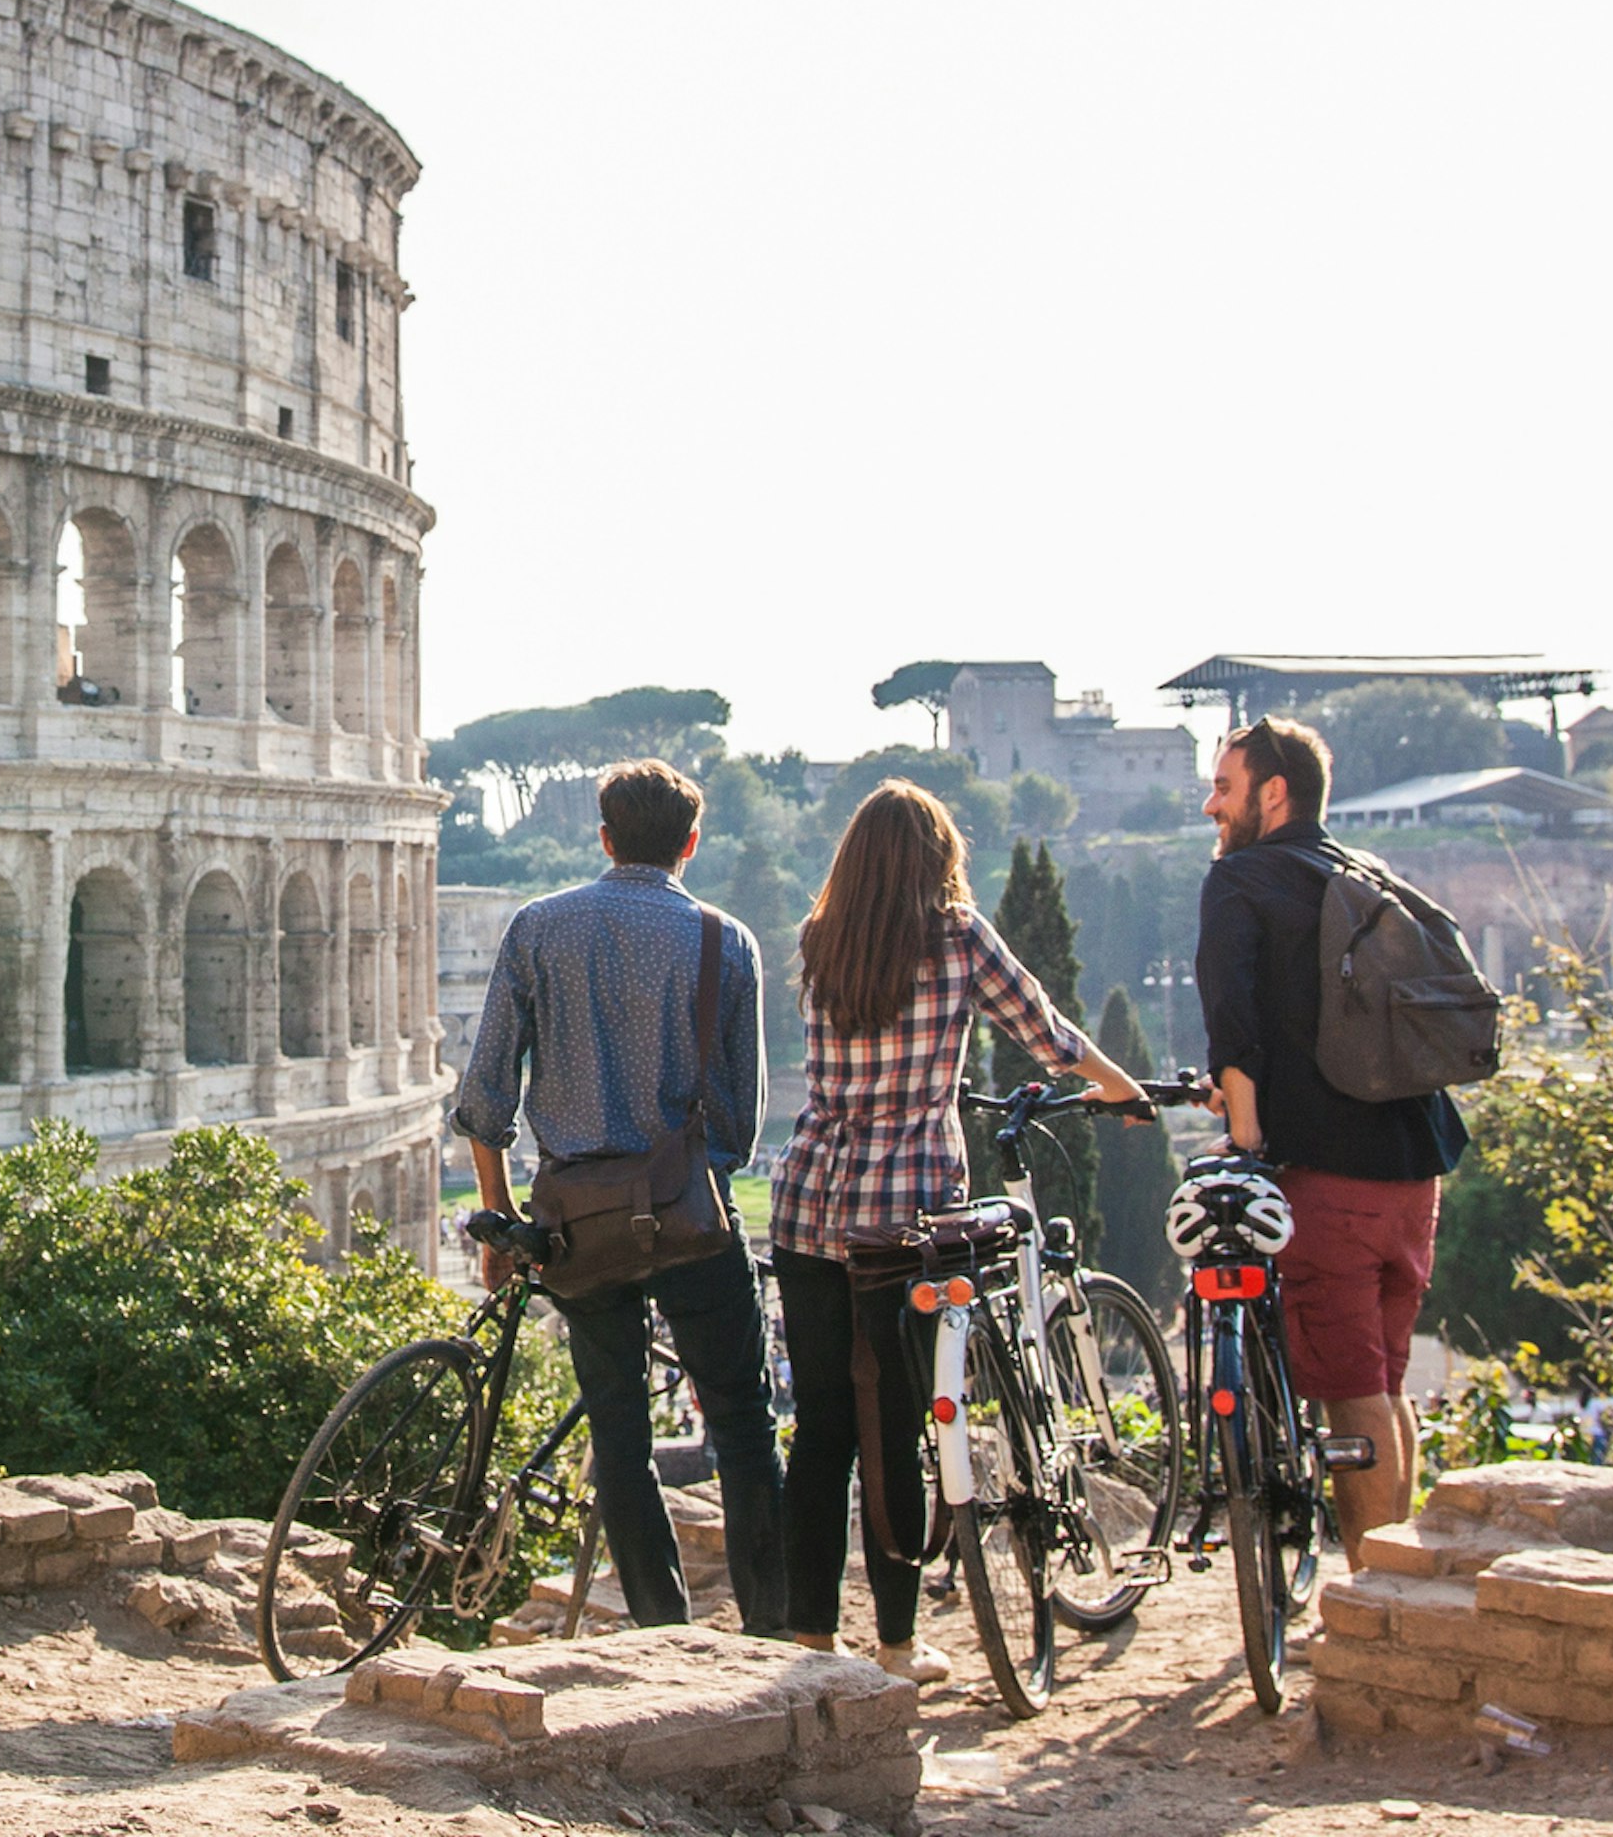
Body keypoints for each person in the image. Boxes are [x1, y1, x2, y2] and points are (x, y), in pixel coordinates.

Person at [765, 780, 1147, 1681]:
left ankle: (811, 1639)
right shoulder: (959, 936)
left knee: (819, 1429)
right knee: (894, 1428)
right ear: (938, 860)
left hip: (809, 1204)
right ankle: (895, 1650)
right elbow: (1048, 1036)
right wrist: (1124, 1090)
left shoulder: (819, 941)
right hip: (905, 1221)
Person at [449, 758, 787, 1634]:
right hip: (690, 1218)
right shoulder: (728, 941)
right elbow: (740, 1126)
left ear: (602, 837)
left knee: (620, 1439)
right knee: (746, 1430)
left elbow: (486, 1099)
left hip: (577, 1224)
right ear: (692, 844)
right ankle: (772, 1630)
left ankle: (660, 1632)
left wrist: (502, 1223)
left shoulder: (537, 928)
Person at [1196, 715, 1469, 1557]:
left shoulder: (1240, 881)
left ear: (1272, 794)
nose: (1211, 806)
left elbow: (1233, 1026)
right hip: (1415, 1164)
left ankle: (1367, 1604)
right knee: (1385, 1381)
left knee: (1351, 1395)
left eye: (1224, 787)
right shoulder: (1363, 872)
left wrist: (1242, 1141)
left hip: (1328, 1175)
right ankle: (1401, 1581)